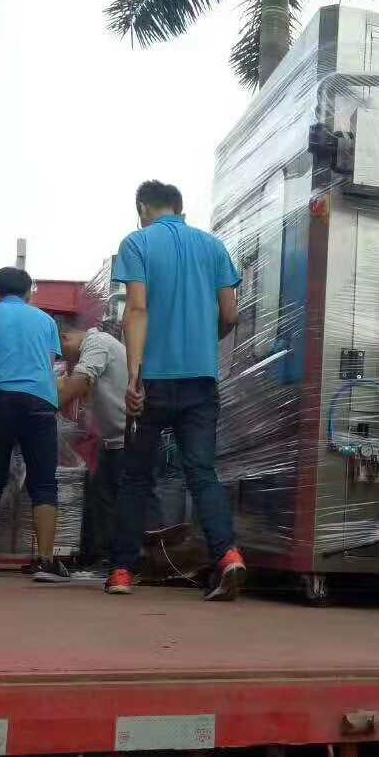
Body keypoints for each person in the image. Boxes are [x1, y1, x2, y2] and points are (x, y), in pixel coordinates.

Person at [108, 180, 246, 600]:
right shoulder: (214, 246)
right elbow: (230, 313)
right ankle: (228, 556)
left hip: (152, 380)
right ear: (179, 208)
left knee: (136, 476)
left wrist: (134, 377)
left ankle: (122, 571)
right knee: (201, 472)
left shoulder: (137, 243)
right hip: (201, 379)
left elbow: (136, 309)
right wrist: (205, 342)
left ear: (143, 208)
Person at [0, 267, 69, 582]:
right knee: (44, 482)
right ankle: (45, 562)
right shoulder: (47, 321)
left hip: (0, 401)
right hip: (40, 403)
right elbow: (47, 367)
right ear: (29, 291)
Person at [59, 322, 162, 589]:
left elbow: (81, 380)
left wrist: (47, 406)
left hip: (129, 439)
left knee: (127, 502)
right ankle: (112, 559)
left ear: (66, 337)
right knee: (102, 500)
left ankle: (142, 560)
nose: (65, 358)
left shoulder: (98, 342)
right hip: (114, 441)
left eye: (62, 351)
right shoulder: (98, 347)